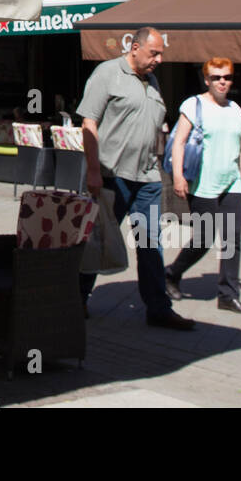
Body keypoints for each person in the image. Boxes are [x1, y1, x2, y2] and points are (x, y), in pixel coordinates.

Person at [77, 27, 194, 330]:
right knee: (97, 240)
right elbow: (88, 122)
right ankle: (75, 300)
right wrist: (92, 170)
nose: (159, 59)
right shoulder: (107, 73)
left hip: (148, 178)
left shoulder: (152, 81)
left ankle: (158, 308)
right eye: (154, 53)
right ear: (134, 48)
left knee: (151, 243)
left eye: (161, 54)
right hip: (112, 175)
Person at [165, 58, 241, 314]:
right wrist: (179, 177)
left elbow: (240, 150)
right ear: (206, 80)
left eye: (226, 77)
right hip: (203, 183)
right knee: (204, 238)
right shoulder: (194, 105)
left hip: (231, 182)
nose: (222, 82)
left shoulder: (235, 110)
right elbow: (179, 142)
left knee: (231, 239)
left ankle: (228, 294)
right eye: (216, 77)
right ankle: (172, 273)